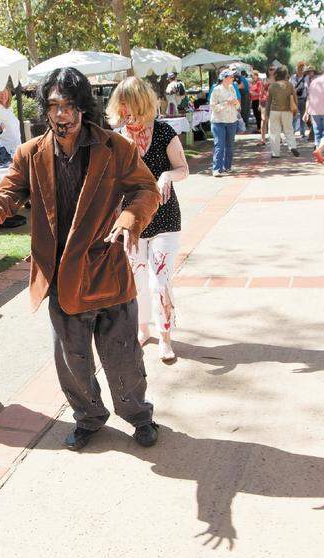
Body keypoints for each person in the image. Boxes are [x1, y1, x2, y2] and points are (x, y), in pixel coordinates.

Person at [0, 67, 162, 452]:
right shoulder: (30, 154)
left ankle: (138, 415)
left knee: (123, 357)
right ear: (46, 110)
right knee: (72, 361)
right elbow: (7, 192)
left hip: (107, 269)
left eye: (69, 105)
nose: (61, 114)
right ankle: (88, 418)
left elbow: (145, 189)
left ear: (82, 108)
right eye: (54, 106)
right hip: (61, 279)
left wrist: (128, 220)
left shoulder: (114, 148)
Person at [107, 77, 189, 362]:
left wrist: (166, 175)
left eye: (130, 107)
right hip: (133, 221)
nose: (126, 114)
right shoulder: (118, 139)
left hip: (165, 217)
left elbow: (182, 169)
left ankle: (165, 335)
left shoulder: (165, 132)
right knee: (137, 281)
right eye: (122, 108)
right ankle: (143, 329)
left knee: (159, 281)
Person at [209, 69, 241, 177]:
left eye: (232, 77)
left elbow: (237, 106)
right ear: (224, 78)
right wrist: (226, 103)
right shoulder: (216, 90)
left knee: (230, 145)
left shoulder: (232, 88)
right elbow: (213, 107)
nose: (232, 78)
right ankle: (217, 169)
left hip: (232, 120)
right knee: (219, 145)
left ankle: (228, 167)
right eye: (230, 77)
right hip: (219, 122)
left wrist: (236, 103)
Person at [266, 66, 299, 159]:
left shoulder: (272, 86)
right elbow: (294, 99)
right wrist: (295, 110)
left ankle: (275, 153)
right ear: (285, 75)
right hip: (287, 111)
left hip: (274, 111)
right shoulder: (290, 85)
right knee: (288, 130)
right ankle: (292, 146)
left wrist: (267, 114)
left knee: (274, 132)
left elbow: (268, 101)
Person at [0, 87, 23, 158]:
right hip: (4, 151)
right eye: (1, 93)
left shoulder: (8, 107)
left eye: (5, 93)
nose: (3, 95)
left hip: (16, 147)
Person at [291, 62, 309, 138]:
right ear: (297, 69)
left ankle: (302, 132)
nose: (301, 70)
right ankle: (292, 132)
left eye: (302, 69)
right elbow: (292, 87)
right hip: (295, 99)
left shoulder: (306, 77)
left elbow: (307, 88)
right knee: (294, 116)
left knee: (303, 116)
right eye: (299, 68)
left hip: (303, 99)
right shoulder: (293, 77)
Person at [251, 71, 268, 144]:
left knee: (267, 120)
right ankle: (262, 138)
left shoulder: (261, 83)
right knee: (263, 119)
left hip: (268, 102)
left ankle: (277, 137)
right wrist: (260, 104)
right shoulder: (259, 83)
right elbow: (261, 93)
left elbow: (259, 93)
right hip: (261, 102)